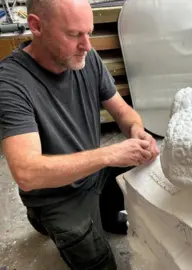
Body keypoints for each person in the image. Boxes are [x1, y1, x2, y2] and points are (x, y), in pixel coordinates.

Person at [0, 0, 160, 269]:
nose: (87, 45)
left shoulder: (86, 57)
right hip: (55, 195)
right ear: (37, 27)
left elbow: (123, 112)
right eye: (74, 34)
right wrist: (110, 153)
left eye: (90, 32)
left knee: (146, 164)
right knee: (100, 263)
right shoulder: (11, 84)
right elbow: (27, 174)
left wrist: (137, 132)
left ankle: (106, 214)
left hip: (92, 173)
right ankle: (44, 221)